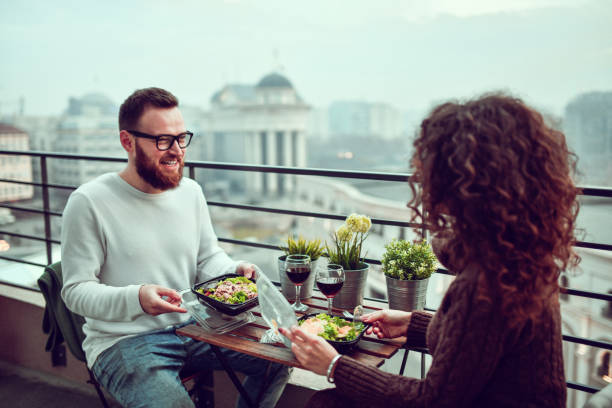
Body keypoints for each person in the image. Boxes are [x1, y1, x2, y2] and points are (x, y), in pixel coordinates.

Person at [280, 93, 579, 407]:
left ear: (463, 184)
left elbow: (432, 400)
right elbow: (476, 349)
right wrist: (413, 324)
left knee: (327, 404)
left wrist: (333, 366)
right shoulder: (522, 254)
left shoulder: (483, 284)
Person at [61, 87, 290, 408]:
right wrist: (137, 297)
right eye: (163, 140)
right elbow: (75, 291)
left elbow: (207, 257)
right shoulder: (88, 202)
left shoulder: (190, 192)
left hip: (194, 326)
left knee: (279, 357)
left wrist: (232, 271)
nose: (177, 150)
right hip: (124, 341)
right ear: (127, 141)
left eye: (182, 138)